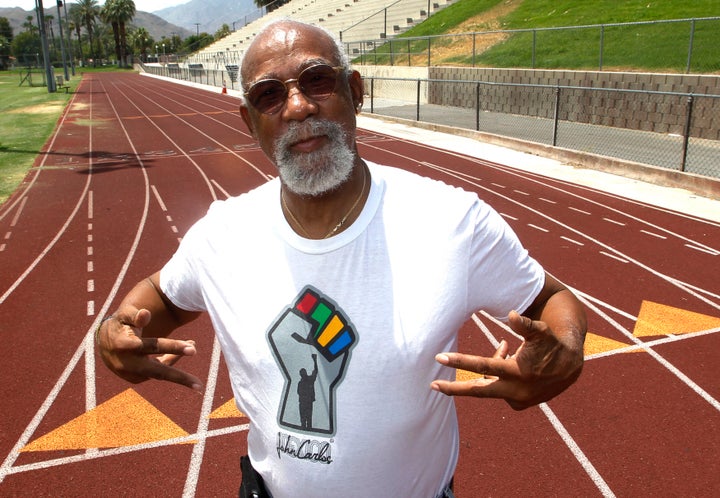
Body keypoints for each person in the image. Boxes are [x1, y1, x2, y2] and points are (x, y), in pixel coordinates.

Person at [97, 19, 587, 498]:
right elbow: (161, 295)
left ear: (355, 89)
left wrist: (564, 352)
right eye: (270, 94)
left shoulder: (451, 220)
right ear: (250, 121)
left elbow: (550, 298)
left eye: (317, 81)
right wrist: (117, 328)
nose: (297, 106)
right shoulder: (223, 234)